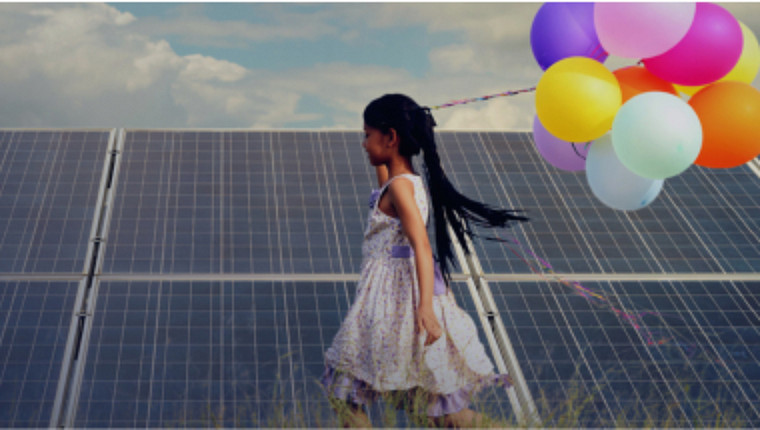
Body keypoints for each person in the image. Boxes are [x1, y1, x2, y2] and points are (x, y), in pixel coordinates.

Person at [321, 94, 528, 427]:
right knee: (435, 412)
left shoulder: (401, 188)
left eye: (367, 135)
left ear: (390, 138)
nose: (362, 144)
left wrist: (426, 309)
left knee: (345, 392)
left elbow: (421, 245)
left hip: (393, 306)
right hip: (397, 302)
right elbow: (385, 183)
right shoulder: (402, 183)